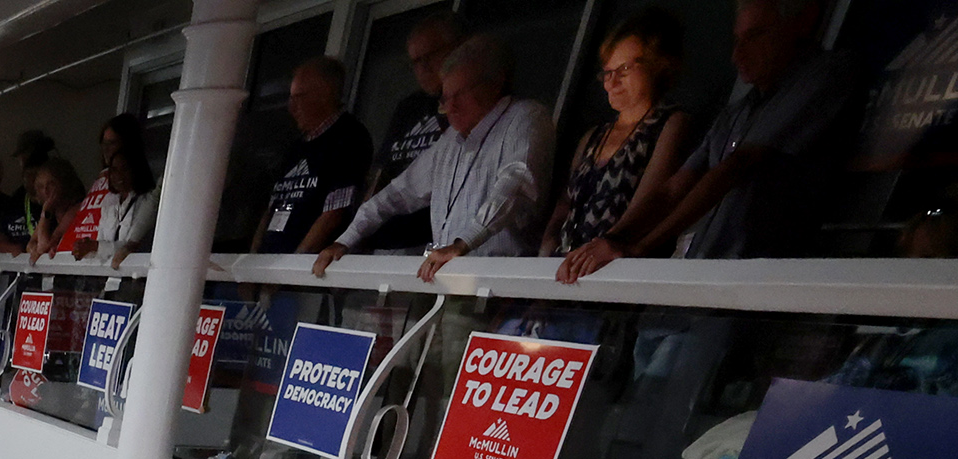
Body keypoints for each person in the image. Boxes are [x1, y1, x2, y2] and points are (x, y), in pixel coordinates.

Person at [559, 0, 861, 276]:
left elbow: (735, 167)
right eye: (737, 40)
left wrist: (639, 247)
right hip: (694, 278)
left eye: (755, 36)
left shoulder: (824, 75)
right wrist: (613, 239)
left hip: (750, 281)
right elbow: (674, 188)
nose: (737, 54)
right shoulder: (737, 113)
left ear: (802, 23)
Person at [313, 37, 553, 283]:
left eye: (460, 94)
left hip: (493, 282)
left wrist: (462, 244)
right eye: (445, 98)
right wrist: (345, 240)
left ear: (495, 83)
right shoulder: (450, 141)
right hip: (441, 278)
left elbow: (515, 184)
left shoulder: (524, 117)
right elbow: (396, 194)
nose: (450, 107)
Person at [539, 11, 699, 273]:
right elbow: (566, 203)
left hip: (613, 274)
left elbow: (653, 202)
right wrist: (548, 245)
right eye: (607, 73)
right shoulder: (593, 137)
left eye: (624, 69)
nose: (611, 82)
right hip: (563, 272)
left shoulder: (669, 125)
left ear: (657, 66)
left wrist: (606, 246)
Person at [362, 12, 471, 255]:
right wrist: (359, 232)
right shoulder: (409, 107)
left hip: (436, 243)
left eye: (430, 56)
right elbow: (383, 171)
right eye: (415, 61)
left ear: (458, 49)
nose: (423, 68)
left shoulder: (472, 104)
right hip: (388, 239)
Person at [255, 58, 373, 255]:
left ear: (325, 94)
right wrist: (251, 263)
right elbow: (270, 209)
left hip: (306, 272)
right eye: (291, 98)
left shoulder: (349, 137)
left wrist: (291, 270)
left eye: (299, 97)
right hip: (268, 265)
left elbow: (334, 214)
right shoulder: (296, 146)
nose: (291, 107)